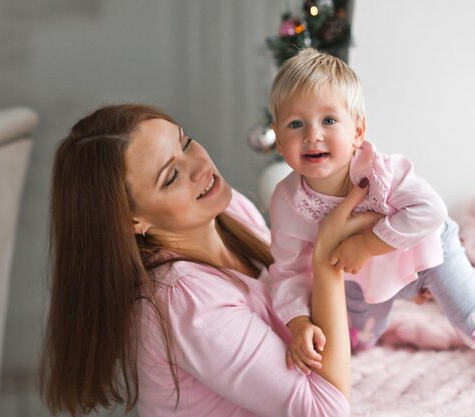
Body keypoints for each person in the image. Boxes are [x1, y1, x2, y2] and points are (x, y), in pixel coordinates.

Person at [39, 103, 381, 417]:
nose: (201, 166)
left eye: (186, 143)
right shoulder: (186, 301)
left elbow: (313, 305)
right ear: (131, 222)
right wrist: (328, 260)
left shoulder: (227, 209)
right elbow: (325, 411)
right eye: (171, 176)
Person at [267, 48, 475, 374]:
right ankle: (391, 300)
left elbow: (430, 210)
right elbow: (288, 270)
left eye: (328, 120)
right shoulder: (287, 201)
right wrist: (298, 324)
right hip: (360, 276)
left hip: (427, 252)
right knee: (355, 342)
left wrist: (366, 244)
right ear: (279, 140)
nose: (313, 135)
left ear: (357, 131)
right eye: (296, 124)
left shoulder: (381, 172)